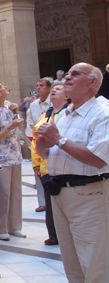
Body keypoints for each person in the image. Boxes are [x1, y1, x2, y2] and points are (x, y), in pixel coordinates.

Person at [35, 63, 109, 282]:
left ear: (93, 82)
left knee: (96, 265)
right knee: (73, 265)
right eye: (67, 74)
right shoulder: (65, 114)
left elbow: (98, 158)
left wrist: (58, 139)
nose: (67, 78)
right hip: (61, 196)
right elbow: (50, 154)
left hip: (89, 196)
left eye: (75, 75)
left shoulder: (102, 113)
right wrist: (42, 143)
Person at [0, 80, 26, 241]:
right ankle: (1, 227)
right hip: (1, 157)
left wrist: (15, 114)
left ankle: (15, 226)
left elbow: (17, 126)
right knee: (4, 193)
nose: (6, 88)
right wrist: (9, 127)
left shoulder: (8, 108)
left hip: (15, 153)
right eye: (2, 87)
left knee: (16, 192)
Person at [31, 83, 68, 246]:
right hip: (46, 165)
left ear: (67, 95)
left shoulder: (68, 113)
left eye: (58, 89)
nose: (54, 90)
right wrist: (36, 164)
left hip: (62, 164)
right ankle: (53, 233)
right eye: (53, 88)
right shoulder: (46, 114)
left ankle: (65, 234)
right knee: (50, 203)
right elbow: (35, 140)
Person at [26, 78, 52, 212]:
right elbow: (30, 120)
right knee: (38, 171)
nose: (39, 88)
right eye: (37, 85)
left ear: (48, 88)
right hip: (37, 140)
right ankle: (42, 202)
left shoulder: (53, 102)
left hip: (51, 141)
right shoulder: (33, 104)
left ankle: (52, 200)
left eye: (42, 85)